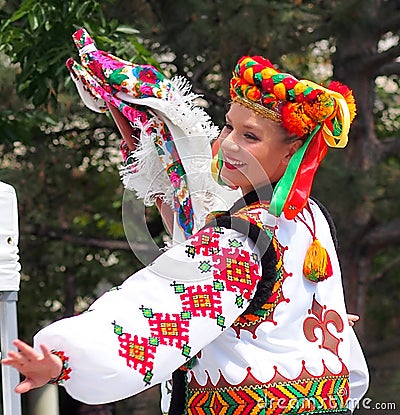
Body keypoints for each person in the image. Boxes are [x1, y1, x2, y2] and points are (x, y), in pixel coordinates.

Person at [2, 30, 369, 415]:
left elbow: (163, 310)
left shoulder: (239, 239)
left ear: (292, 150)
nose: (228, 144)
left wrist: (67, 359)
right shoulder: (311, 219)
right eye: (228, 127)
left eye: (250, 136)